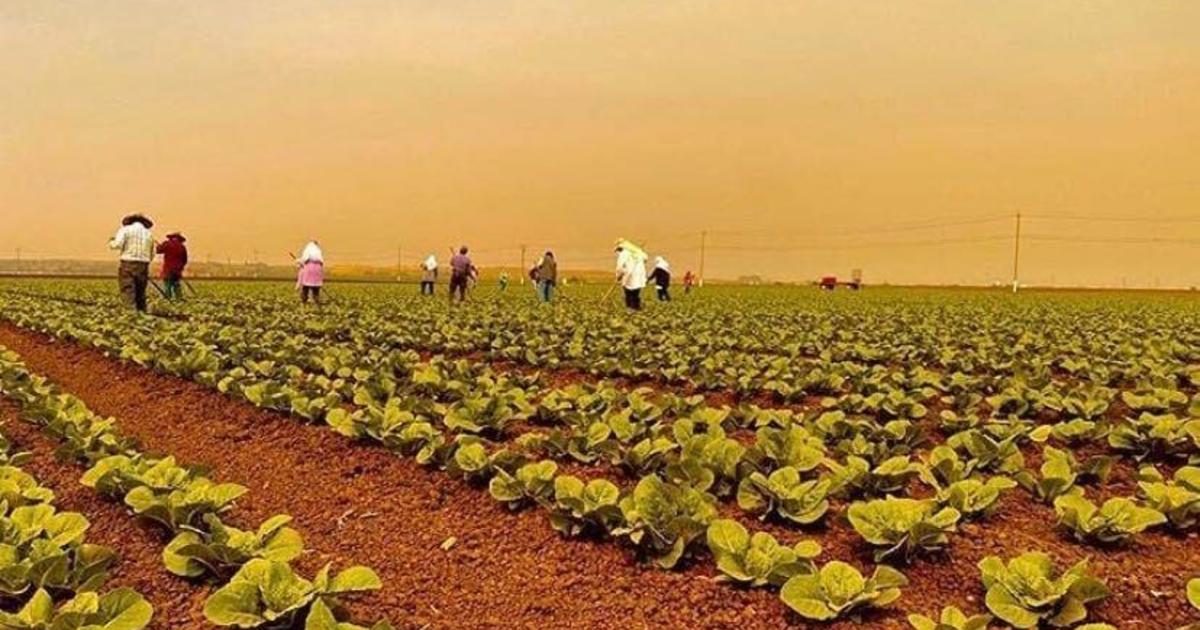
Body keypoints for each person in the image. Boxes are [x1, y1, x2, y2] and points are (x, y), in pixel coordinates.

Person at [108, 213, 155, 312]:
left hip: (128, 262)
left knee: (128, 288)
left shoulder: (125, 230)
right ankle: (142, 312)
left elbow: (117, 245)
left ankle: (131, 312)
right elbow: (152, 252)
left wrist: (111, 242)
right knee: (140, 290)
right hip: (143, 264)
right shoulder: (148, 233)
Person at [614, 238, 647, 310]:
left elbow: (620, 267)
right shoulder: (638, 251)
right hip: (639, 274)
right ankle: (636, 307)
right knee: (636, 291)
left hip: (629, 274)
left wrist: (618, 276)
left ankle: (630, 307)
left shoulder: (623, 254)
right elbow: (645, 259)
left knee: (628, 291)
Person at [156, 232, 188, 300]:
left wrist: (159, 246)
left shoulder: (167, 244)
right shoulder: (182, 247)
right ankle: (179, 299)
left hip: (168, 269)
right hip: (177, 270)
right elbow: (185, 260)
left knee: (168, 285)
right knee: (176, 285)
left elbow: (158, 251)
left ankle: (168, 299)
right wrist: (180, 267)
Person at [296, 240, 324, 305]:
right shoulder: (318, 252)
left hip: (308, 270)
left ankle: (304, 301)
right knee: (316, 289)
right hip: (318, 271)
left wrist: (298, 261)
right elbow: (322, 262)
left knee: (305, 288)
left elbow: (304, 260)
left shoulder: (307, 250)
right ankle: (316, 301)